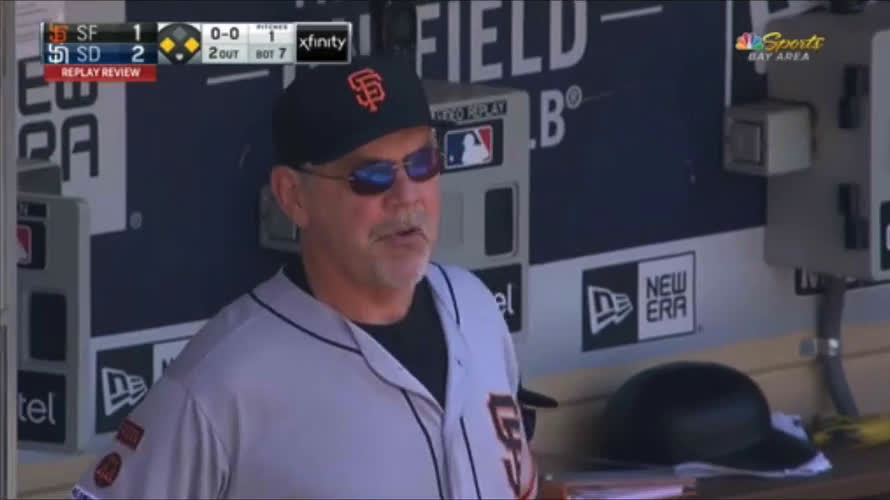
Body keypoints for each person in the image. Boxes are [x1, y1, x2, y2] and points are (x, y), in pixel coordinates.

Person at [71, 54, 538, 500]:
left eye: (421, 164)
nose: (406, 197)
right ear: (293, 196)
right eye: (371, 176)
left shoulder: (474, 307)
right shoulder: (222, 382)